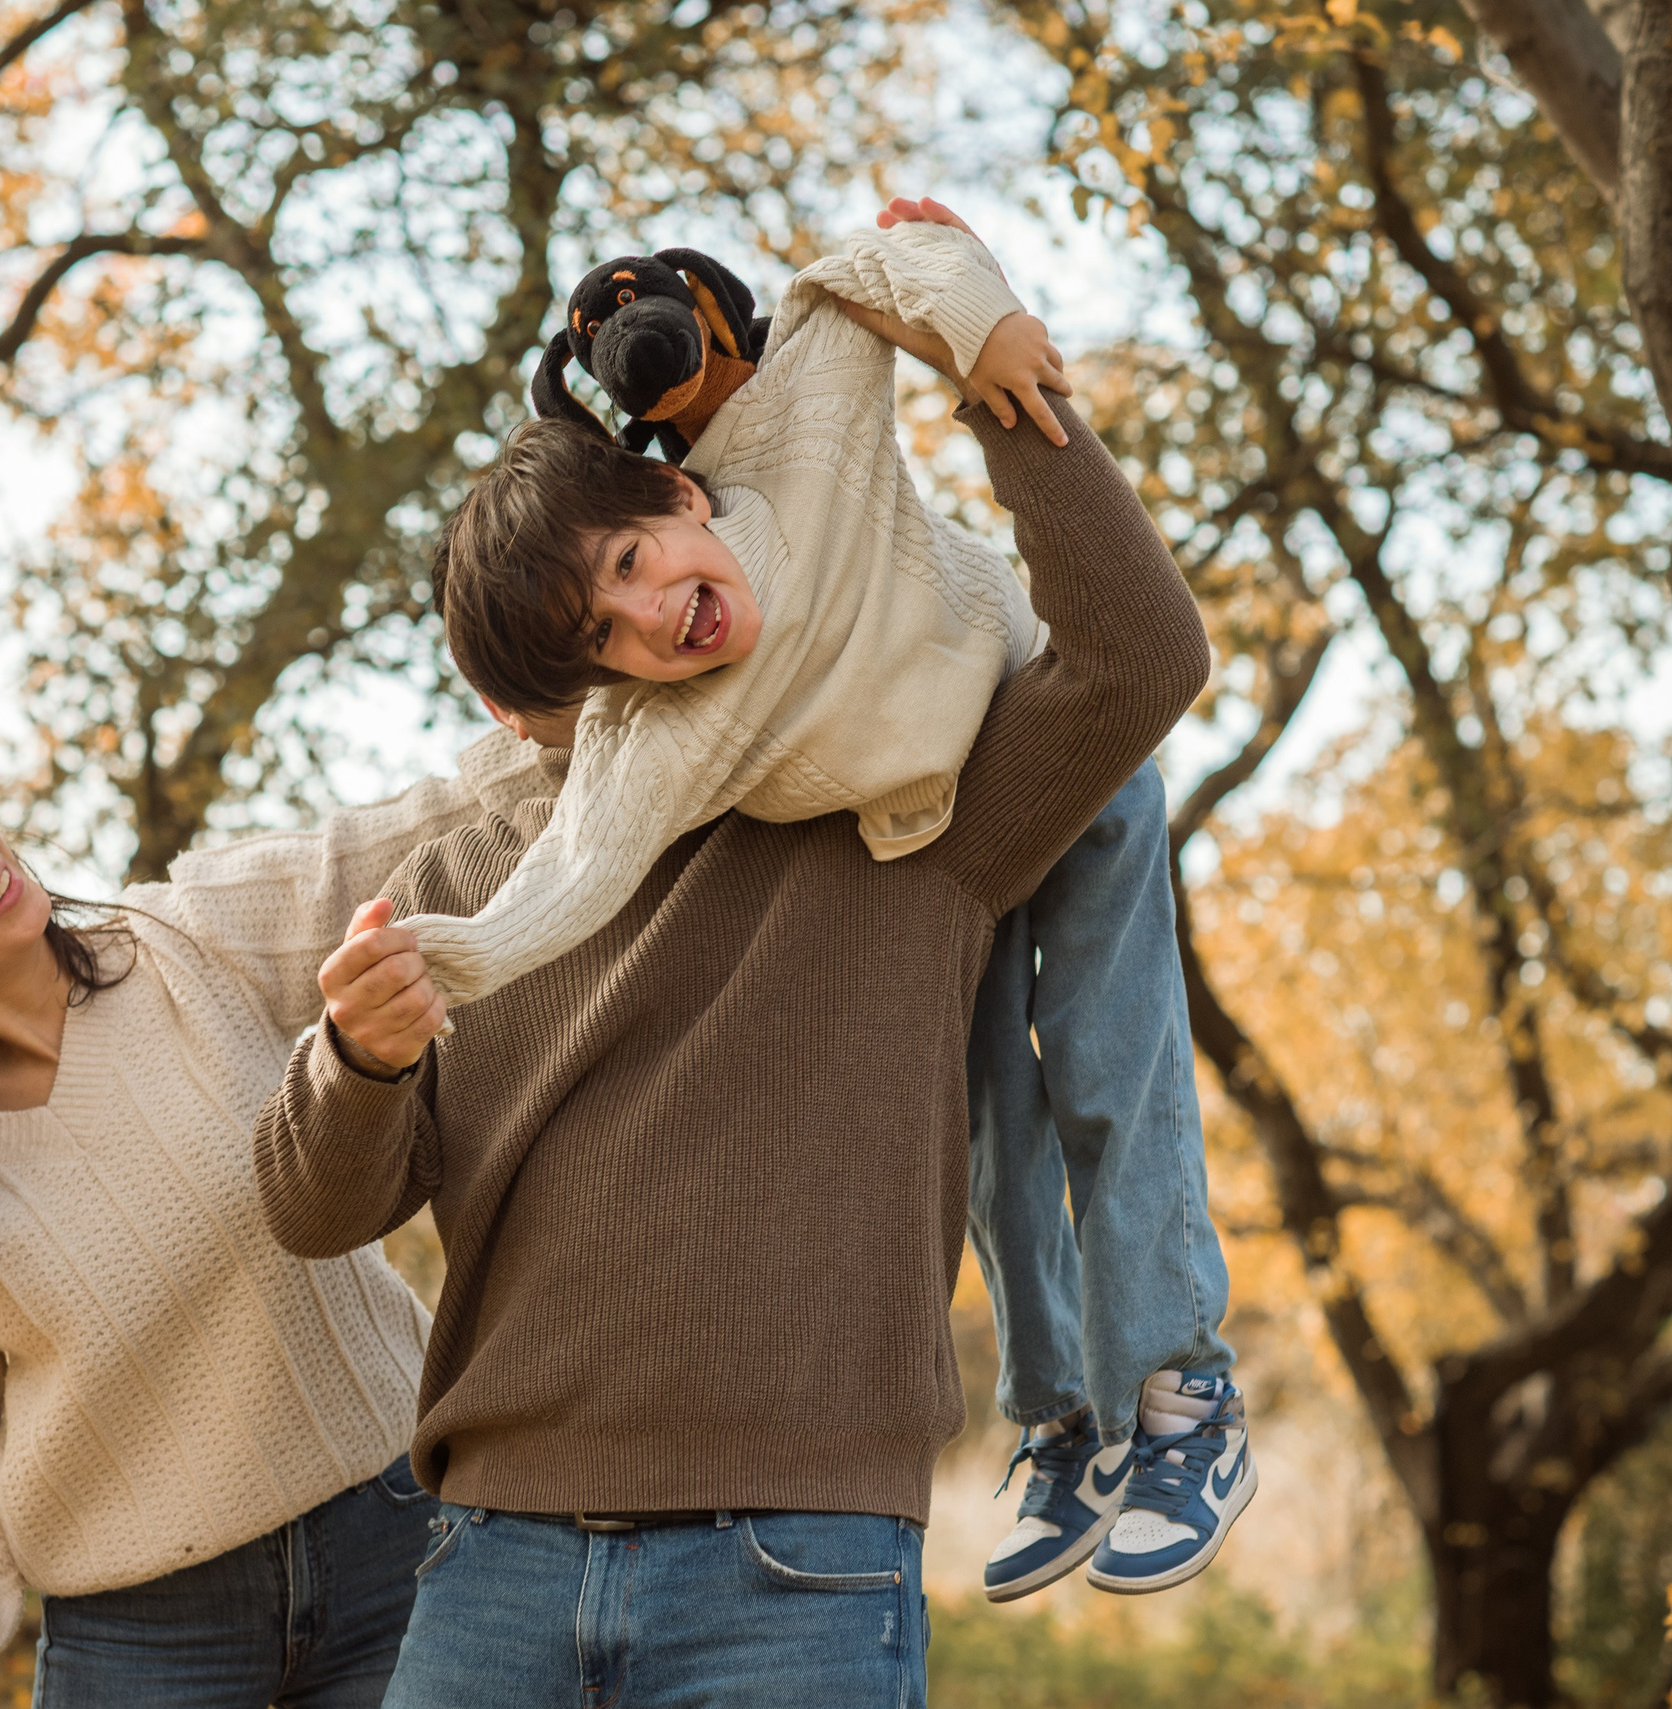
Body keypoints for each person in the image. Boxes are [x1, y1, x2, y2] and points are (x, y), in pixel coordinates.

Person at [251, 206, 1219, 1708]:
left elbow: (1140, 660)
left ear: (688, 494)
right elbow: (318, 1207)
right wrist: (358, 1059)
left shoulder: (910, 813)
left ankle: (1135, 1399)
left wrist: (995, 374)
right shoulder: (459, 887)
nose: (653, 616)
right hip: (491, 1561)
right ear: (535, 707)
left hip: (799, 1561)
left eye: (640, 556)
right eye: (591, 635)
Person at [0, 735, 548, 1709]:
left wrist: (563, 716)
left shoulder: (189, 941)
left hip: (399, 1548)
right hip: (145, 1633)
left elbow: (408, 836)